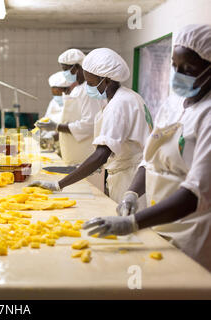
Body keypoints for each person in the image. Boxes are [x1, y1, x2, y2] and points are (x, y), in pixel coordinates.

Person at [83, 24, 211, 271]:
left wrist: (132, 222)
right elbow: (149, 158)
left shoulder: (207, 116)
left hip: (190, 231)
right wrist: (132, 193)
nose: (178, 74)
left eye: (189, 69)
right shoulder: (173, 104)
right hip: (156, 220)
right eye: (174, 66)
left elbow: (195, 194)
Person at [30, 48, 153, 206]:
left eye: (91, 83)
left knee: (132, 226)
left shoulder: (118, 105)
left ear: (106, 80)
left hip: (130, 179)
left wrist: (59, 184)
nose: (88, 88)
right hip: (132, 174)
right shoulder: (129, 96)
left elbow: (102, 153)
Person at [37, 49, 106, 165]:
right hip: (75, 153)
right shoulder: (78, 90)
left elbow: (89, 125)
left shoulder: (89, 92)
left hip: (86, 155)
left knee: (87, 183)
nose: (64, 74)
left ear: (76, 68)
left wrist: (57, 127)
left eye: (65, 70)